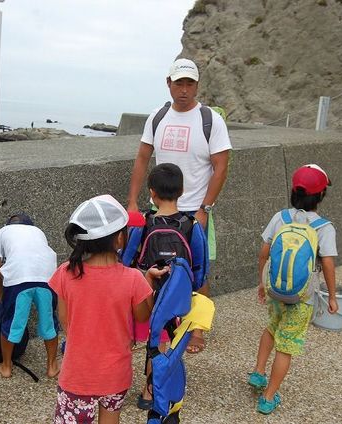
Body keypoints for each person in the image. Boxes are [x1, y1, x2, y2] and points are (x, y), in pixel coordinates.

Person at [127, 57, 232, 354]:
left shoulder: (210, 120)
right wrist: (132, 201)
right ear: (168, 84)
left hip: (195, 211)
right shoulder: (158, 117)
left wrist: (205, 208)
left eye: (189, 83)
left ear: (197, 85)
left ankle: (196, 329)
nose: (184, 89)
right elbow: (142, 158)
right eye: (178, 83)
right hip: (159, 208)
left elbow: (221, 166)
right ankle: (153, 325)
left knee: (198, 270)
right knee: (151, 266)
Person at [49, 194, 167, 424]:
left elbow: (65, 320)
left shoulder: (66, 272)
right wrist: (148, 282)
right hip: (115, 374)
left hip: (78, 373)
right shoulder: (133, 278)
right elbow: (143, 317)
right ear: (120, 239)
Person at [248, 164, 339, 415]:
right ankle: (268, 397)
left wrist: (262, 283)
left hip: (275, 290)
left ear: (293, 191)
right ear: (321, 195)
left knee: (271, 327)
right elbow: (328, 264)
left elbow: (264, 253)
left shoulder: (281, 218)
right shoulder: (324, 228)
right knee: (287, 344)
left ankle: (258, 372)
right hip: (302, 297)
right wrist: (332, 297)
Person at [132, 162, 199, 410]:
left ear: (152, 192)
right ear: (181, 191)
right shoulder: (190, 224)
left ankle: (146, 390)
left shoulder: (146, 222)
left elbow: (132, 260)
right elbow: (199, 266)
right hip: (178, 295)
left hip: (149, 292)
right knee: (169, 341)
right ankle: (162, 386)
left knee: (151, 339)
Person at [0, 213, 59, 378]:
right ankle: (52, 366)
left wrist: (1, 294)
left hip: (19, 279)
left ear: (8, 225)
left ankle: (6, 367)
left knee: (11, 322)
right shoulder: (38, 231)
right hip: (48, 277)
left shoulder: (2, 232)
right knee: (49, 322)